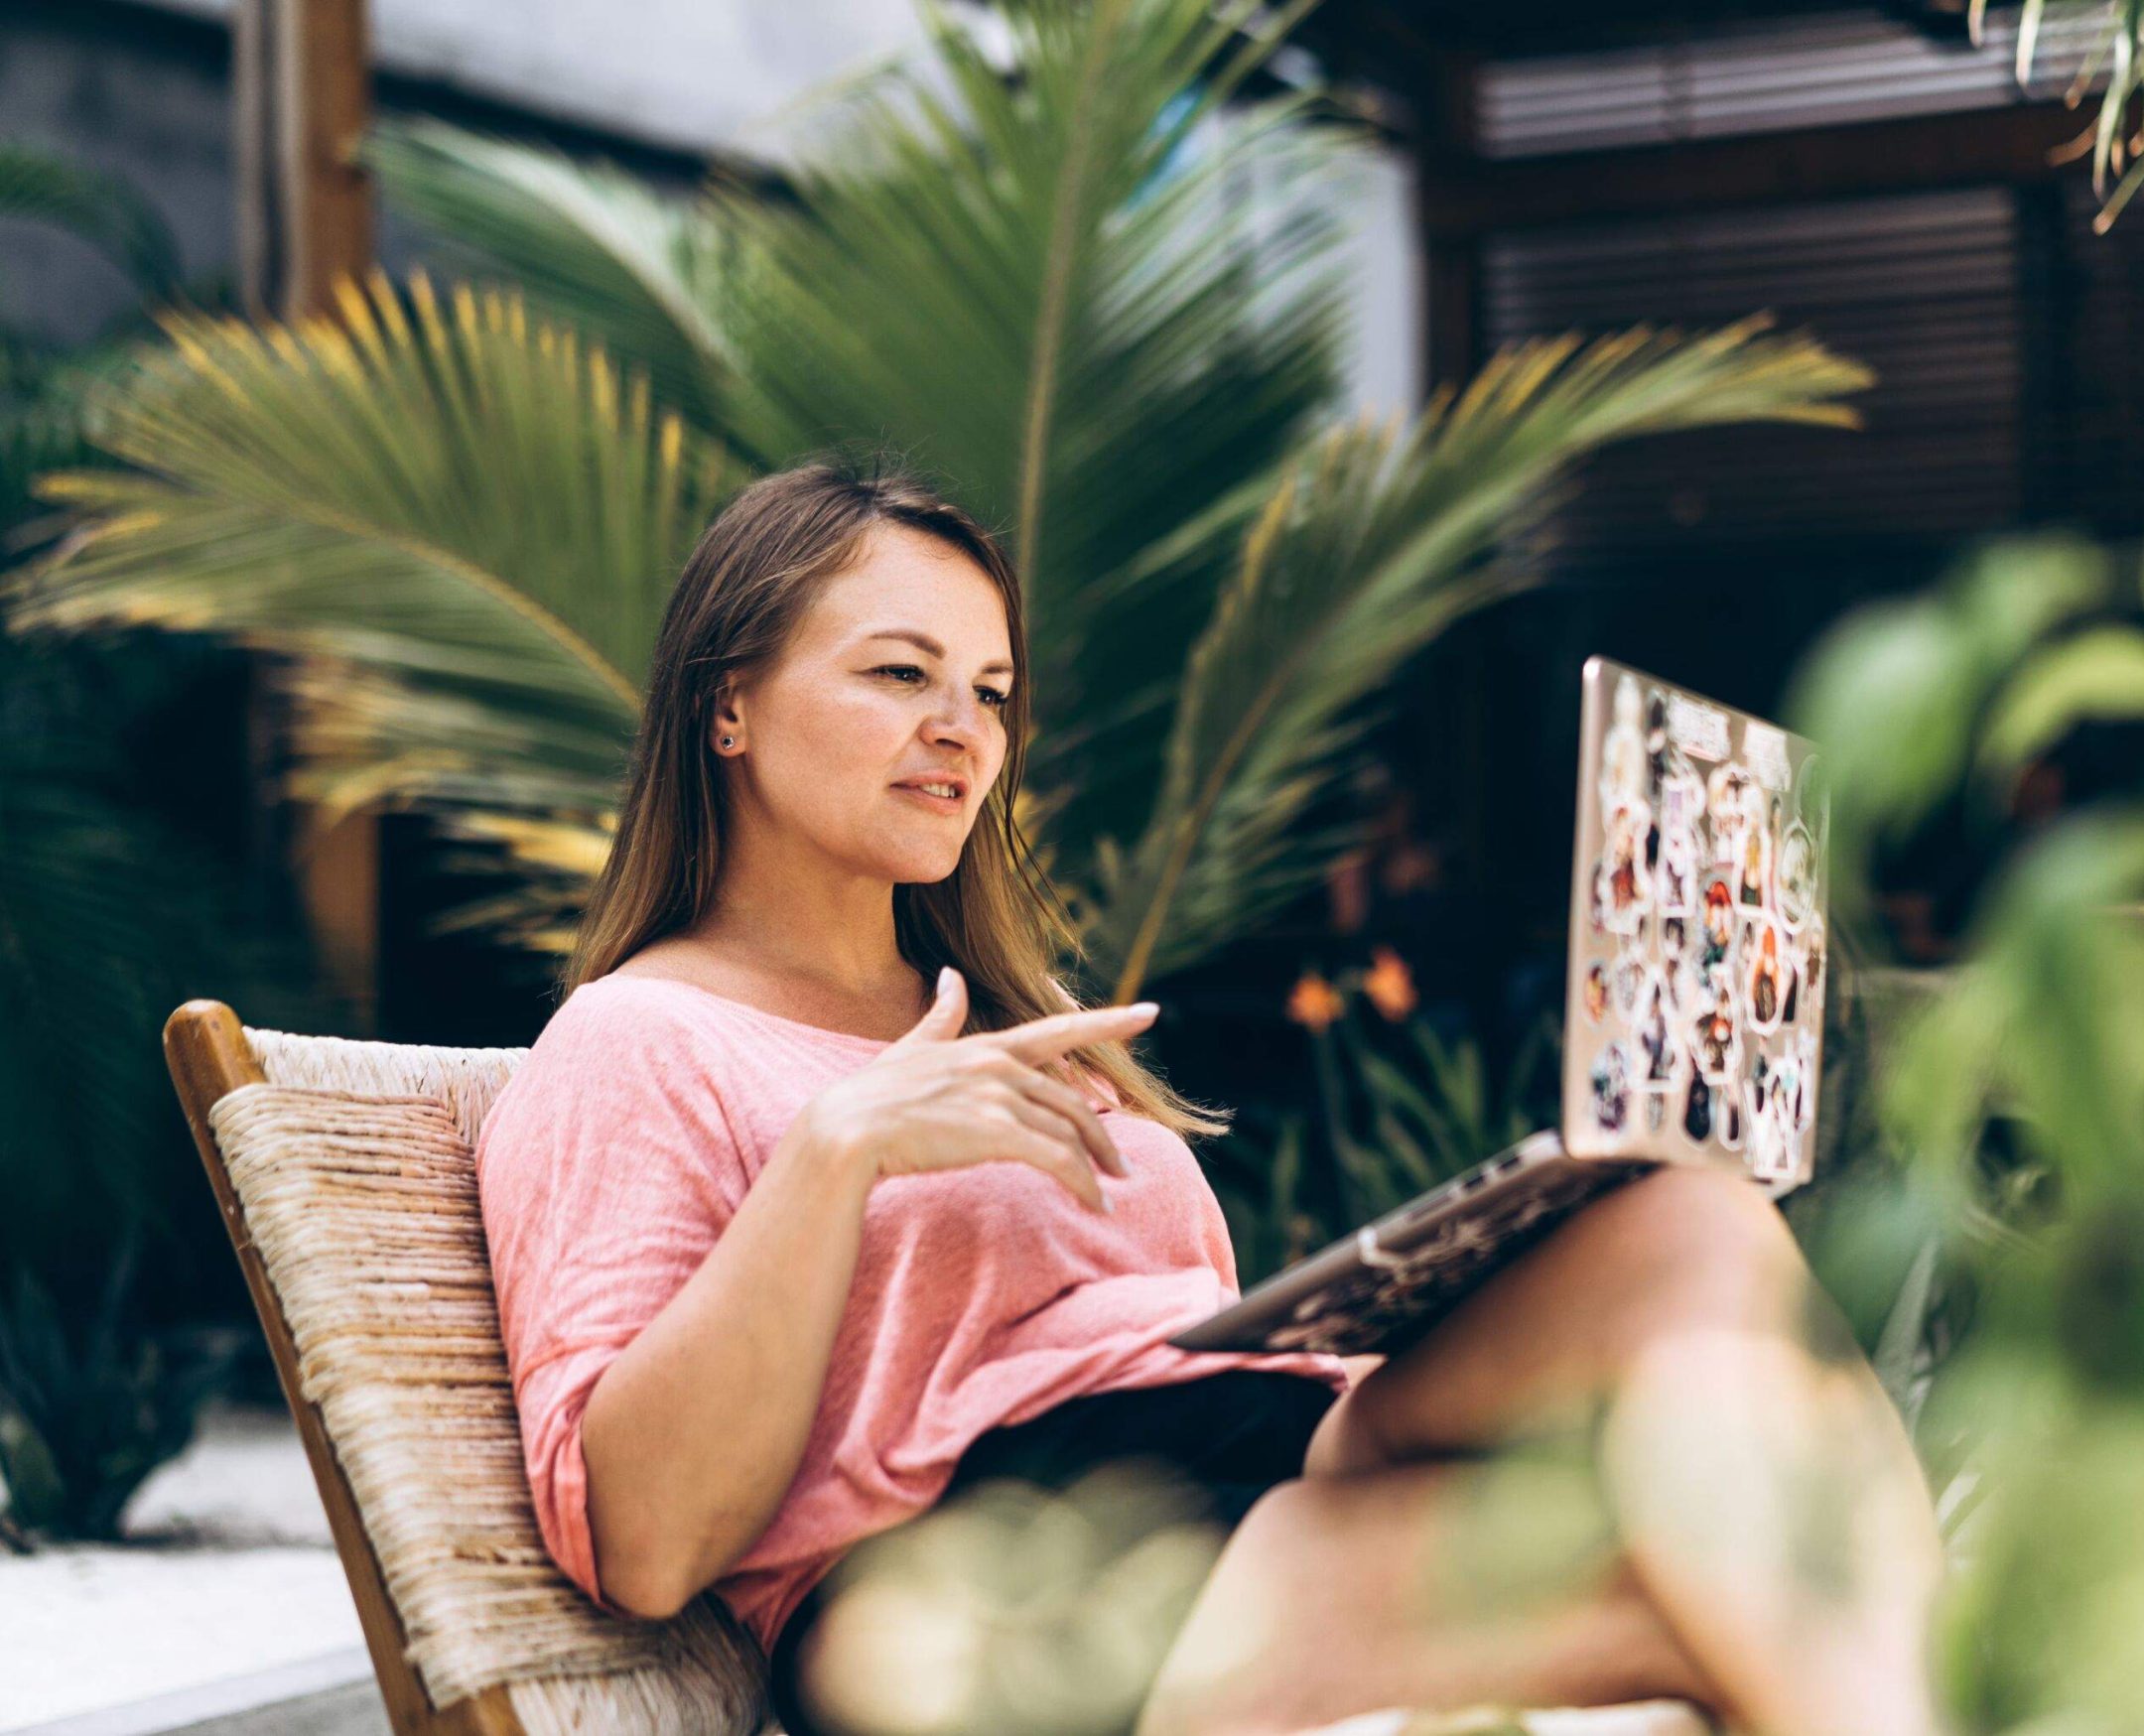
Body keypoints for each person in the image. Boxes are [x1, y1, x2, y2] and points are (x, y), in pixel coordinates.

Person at [474, 460, 1944, 1736]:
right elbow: (649, 1538)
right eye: (899, 672)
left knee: (1690, 1223)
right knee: (1741, 1581)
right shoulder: (636, 1039)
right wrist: (834, 1150)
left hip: (1245, 1450)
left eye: (990, 691)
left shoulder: (1028, 1026)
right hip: (993, 1576)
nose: (963, 728)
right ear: (728, 706)